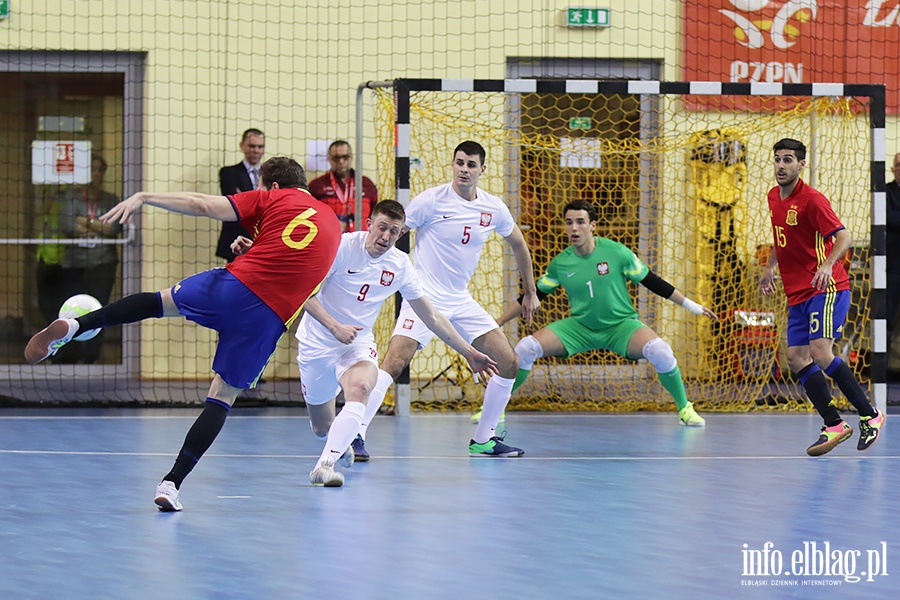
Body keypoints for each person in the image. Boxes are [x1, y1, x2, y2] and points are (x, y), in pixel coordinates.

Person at [24, 156, 342, 510]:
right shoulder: (332, 221)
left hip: (234, 286)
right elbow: (301, 269)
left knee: (155, 303)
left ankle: (76, 325)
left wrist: (145, 196)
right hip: (266, 318)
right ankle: (171, 483)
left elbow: (202, 204)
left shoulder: (271, 198)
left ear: (274, 187)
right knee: (221, 398)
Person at [234, 200, 497, 486]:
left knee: (361, 388)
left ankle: (324, 465)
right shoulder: (342, 247)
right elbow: (299, 289)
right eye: (382, 227)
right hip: (317, 342)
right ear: (369, 224)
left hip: (356, 344)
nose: (386, 236)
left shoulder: (399, 265)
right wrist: (334, 326)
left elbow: (431, 316)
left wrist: (469, 352)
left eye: (394, 232)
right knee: (321, 426)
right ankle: (338, 441)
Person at [363, 141, 540, 458]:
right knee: (394, 363)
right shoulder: (430, 201)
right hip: (423, 297)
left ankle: (484, 439)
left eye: (471, 165)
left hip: (460, 300)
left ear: (482, 170)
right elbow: (391, 236)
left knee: (509, 362)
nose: (464, 169)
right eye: (459, 162)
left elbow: (518, 243)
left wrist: (530, 291)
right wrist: (371, 274)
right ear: (453, 164)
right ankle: (354, 434)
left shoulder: (492, 208)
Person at [478, 199, 716, 427]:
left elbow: (653, 282)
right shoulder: (561, 263)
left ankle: (685, 408)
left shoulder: (617, 253)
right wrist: (498, 322)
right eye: (569, 222)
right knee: (526, 347)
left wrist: (692, 306)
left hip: (621, 326)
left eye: (580, 222)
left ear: (593, 225)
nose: (574, 228)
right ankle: (495, 409)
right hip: (580, 327)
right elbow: (532, 296)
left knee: (660, 350)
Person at [760, 138, 885, 456]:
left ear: (801, 165)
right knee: (795, 358)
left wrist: (828, 264)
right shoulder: (774, 197)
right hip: (796, 293)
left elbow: (843, 236)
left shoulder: (813, 200)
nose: (781, 165)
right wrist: (769, 268)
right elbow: (780, 238)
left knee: (820, 353)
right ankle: (834, 424)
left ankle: (870, 416)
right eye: (777, 159)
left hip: (825, 289)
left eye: (788, 160)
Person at [53, 154, 124, 364]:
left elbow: (112, 229)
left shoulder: (111, 200)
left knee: (99, 309)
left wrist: (83, 221)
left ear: (103, 173)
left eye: (99, 169)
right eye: (90, 169)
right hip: (73, 263)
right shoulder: (70, 198)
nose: (95, 174)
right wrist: (97, 225)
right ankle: (69, 354)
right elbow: (67, 226)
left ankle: (91, 356)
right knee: (70, 309)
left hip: (103, 262)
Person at [215, 128, 265, 262]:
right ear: (242, 146)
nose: (255, 150)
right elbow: (236, 205)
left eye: (260, 146)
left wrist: (245, 198)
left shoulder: (270, 175)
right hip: (236, 238)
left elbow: (245, 202)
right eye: (251, 146)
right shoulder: (228, 173)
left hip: (262, 238)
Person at [308, 140, 378, 233]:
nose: (341, 162)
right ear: (329, 159)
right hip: (330, 240)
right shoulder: (316, 185)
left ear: (351, 158)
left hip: (361, 241)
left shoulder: (367, 184)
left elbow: (375, 215)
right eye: (336, 158)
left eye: (345, 157)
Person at [886, 152, 900, 374]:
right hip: (893, 267)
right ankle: (882, 372)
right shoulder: (886, 191)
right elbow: (888, 218)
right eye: (898, 165)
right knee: (885, 320)